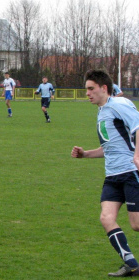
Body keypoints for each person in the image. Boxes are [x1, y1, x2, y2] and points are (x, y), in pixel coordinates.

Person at [71, 69, 139, 277]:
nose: (87, 93)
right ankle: (132, 264)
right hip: (112, 176)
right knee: (106, 218)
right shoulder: (102, 111)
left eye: (91, 89)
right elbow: (110, 147)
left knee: (136, 224)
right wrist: (85, 154)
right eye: (86, 90)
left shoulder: (119, 105)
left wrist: (137, 155)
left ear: (104, 88)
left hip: (130, 171)